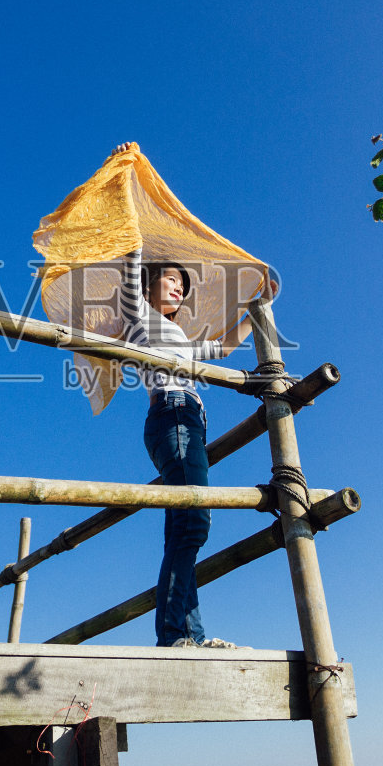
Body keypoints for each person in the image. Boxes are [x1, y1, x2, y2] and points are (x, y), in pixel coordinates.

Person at [119, 245, 269, 648]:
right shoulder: (141, 318)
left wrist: (256, 310)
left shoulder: (177, 336)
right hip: (173, 415)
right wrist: (135, 234)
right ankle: (174, 635)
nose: (179, 289)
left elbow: (219, 350)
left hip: (189, 422)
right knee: (194, 524)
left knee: (184, 531)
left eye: (183, 285)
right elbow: (130, 278)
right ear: (147, 287)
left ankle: (190, 635)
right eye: (170, 279)